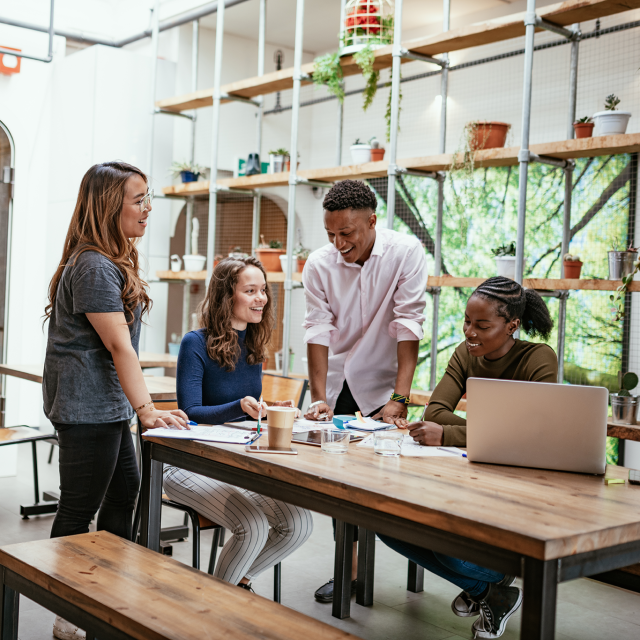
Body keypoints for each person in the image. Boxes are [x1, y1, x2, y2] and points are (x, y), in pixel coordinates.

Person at [43, 162, 188, 640]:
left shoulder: (107, 260)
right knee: (78, 508)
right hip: (88, 410)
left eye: (150, 199)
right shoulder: (93, 265)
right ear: (110, 206)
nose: (148, 209)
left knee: (125, 491)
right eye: (139, 199)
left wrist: (137, 409)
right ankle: (69, 609)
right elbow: (120, 345)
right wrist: (147, 411)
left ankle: (103, 590)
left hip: (106, 407)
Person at [378, 276, 558, 639]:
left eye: (482, 325)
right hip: (467, 473)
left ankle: (492, 579)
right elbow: (434, 412)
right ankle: (491, 592)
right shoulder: (465, 353)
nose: (470, 332)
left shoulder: (539, 359)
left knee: (450, 550)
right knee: (387, 525)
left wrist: (452, 434)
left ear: (512, 325)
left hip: (518, 489)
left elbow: (531, 436)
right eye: (466, 321)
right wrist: (490, 434)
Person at [302, 179, 428, 603]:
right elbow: (317, 331)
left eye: (347, 234)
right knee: (338, 479)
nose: (338, 243)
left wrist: (401, 398)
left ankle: (391, 562)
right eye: (331, 234)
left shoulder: (406, 253)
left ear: (372, 221)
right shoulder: (319, 264)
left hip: (383, 383)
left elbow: (408, 324)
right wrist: (319, 397)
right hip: (336, 382)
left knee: (384, 478)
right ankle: (348, 570)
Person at [163, 257, 313, 589]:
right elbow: (191, 412)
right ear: (226, 297)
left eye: (263, 290)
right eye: (250, 290)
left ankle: (235, 586)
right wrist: (241, 407)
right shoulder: (195, 343)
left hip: (232, 463)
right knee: (254, 526)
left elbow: (244, 411)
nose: (261, 298)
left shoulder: (253, 345)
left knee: (299, 522)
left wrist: (272, 409)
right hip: (188, 463)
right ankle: (219, 614)